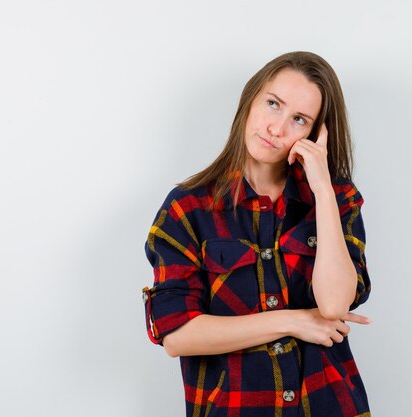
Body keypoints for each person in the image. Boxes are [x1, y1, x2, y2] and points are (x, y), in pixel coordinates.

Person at [142, 51, 373, 417]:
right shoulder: (187, 208)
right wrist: (293, 320)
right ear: (251, 100)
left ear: (315, 133)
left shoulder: (337, 199)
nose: (277, 128)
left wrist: (323, 188)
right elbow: (178, 335)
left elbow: (333, 305)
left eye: (299, 119)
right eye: (273, 104)